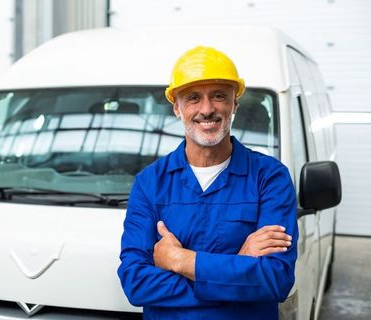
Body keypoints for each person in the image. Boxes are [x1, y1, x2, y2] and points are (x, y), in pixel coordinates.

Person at [117, 46, 298, 320]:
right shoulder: (150, 183)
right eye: (193, 98)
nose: (207, 109)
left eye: (219, 96)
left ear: (235, 103)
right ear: (176, 108)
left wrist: (180, 260)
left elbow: (275, 279)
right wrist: (238, 267)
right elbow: (136, 283)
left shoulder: (270, 178)